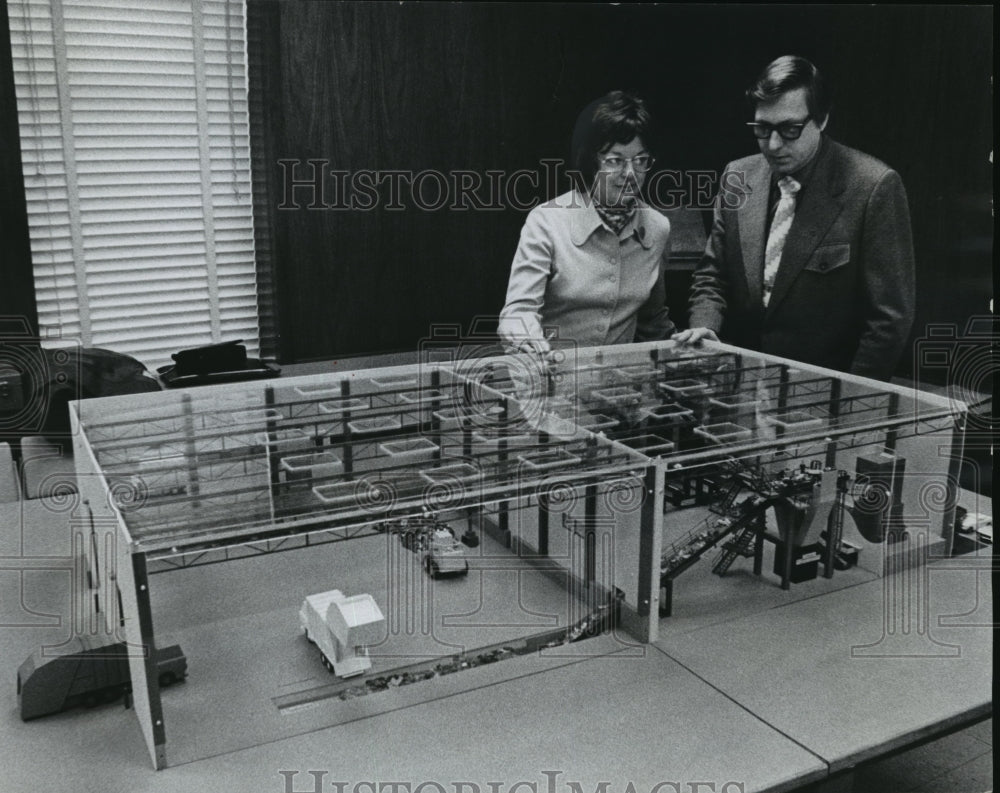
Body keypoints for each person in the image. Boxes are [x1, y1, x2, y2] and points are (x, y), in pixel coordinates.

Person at [674, 56, 915, 381]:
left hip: (824, 397)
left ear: (822, 119)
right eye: (762, 128)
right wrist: (705, 327)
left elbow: (889, 320)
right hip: (742, 390)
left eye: (790, 129)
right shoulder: (737, 176)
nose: (773, 145)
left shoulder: (873, 187)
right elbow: (712, 276)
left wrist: (850, 404)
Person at [498, 91, 674, 354]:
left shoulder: (658, 228)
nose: (630, 174)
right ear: (591, 160)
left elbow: (653, 322)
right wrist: (529, 341)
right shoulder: (547, 221)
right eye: (615, 160)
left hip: (619, 387)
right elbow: (518, 311)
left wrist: (684, 346)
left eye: (640, 160)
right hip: (549, 376)